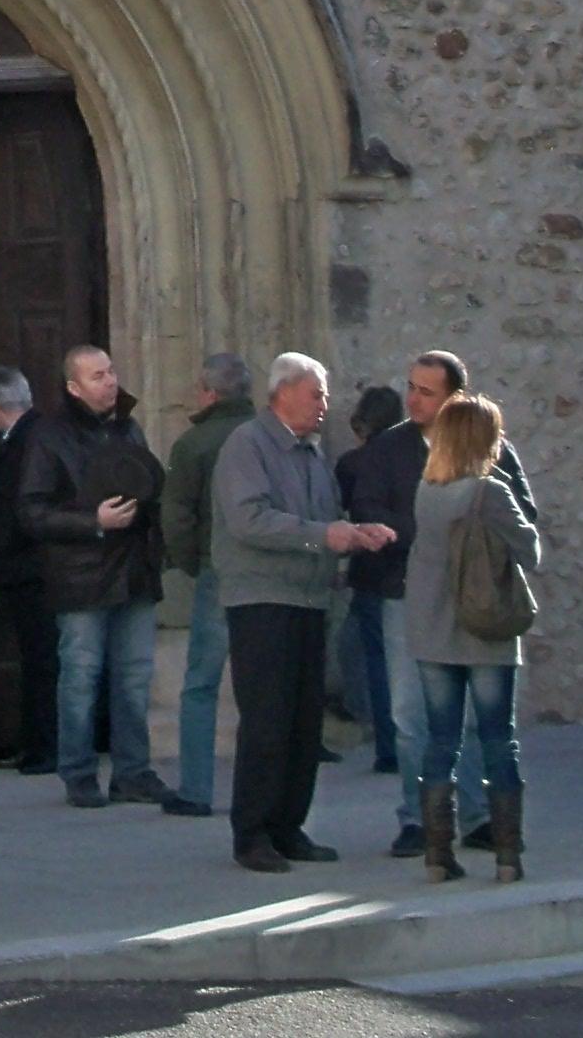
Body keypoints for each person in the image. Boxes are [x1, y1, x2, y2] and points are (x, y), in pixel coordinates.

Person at [209, 349, 398, 874]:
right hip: (263, 601)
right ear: (283, 392)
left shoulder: (312, 452)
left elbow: (324, 519)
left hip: (310, 599)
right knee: (267, 720)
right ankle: (252, 834)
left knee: (301, 724)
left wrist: (355, 534)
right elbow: (249, 520)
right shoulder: (246, 445)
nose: (325, 404)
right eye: (316, 393)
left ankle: (289, 826)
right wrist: (325, 535)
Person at [361, 347, 541, 856]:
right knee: (413, 716)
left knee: (468, 723)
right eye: (411, 388)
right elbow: (369, 506)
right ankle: (418, 820)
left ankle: (478, 817)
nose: (413, 399)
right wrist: (437, 536)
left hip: (479, 598)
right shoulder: (390, 449)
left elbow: (526, 510)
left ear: (454, 398)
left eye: (426, 391)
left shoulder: (494, 451)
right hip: (410, 595)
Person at [14, 344, 171, 808]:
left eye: (111, 372)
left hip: (134, 570)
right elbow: (30, 511)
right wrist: (92, 522)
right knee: (81, 676)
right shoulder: (50, 436)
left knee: (134, 676)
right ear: (73, 387)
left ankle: (133, 772)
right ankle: (79, 772)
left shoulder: (129, 426)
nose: (109, 382)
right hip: (80, 576)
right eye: (97, 376)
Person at [404, 392, 542, 884]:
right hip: (484, 627)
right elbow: (531, 549)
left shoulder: (427, 491)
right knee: (497, 737)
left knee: (440, 739)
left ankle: (438, 854)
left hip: (432, 629)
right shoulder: (491, 492)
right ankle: (507, 855)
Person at [155, 349, 256, 818]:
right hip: (270, 570)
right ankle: (266, 789)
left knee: (201, 684)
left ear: (210, 393)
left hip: (219, 568)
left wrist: (190, 560)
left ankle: (196, 789)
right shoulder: (269, 435)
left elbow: (176, 513)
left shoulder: (194, 444)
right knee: (265, 683)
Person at [0, 368, 67, 775]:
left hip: (32, 570)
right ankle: (37, 745)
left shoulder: (31, 440)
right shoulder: (37, 434)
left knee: (41, 660)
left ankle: (43, 749)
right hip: (32, 568)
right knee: (37, 659)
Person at [332, 384, 408, 778]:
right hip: (407, 568)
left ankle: (386, 741)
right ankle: (404, 739)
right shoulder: (413, 458)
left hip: (369, 570)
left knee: (372, 658)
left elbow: (337, 509)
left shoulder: (352, 464)